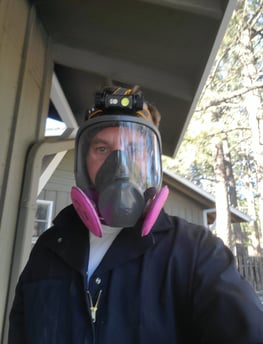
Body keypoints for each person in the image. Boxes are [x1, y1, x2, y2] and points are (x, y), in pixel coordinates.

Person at [8, 86, 263, 343]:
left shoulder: (195, 252)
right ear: (83, 162)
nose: (119, 163)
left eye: (134, 148)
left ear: (152, 161)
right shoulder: (49, 248)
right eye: (101, 149)